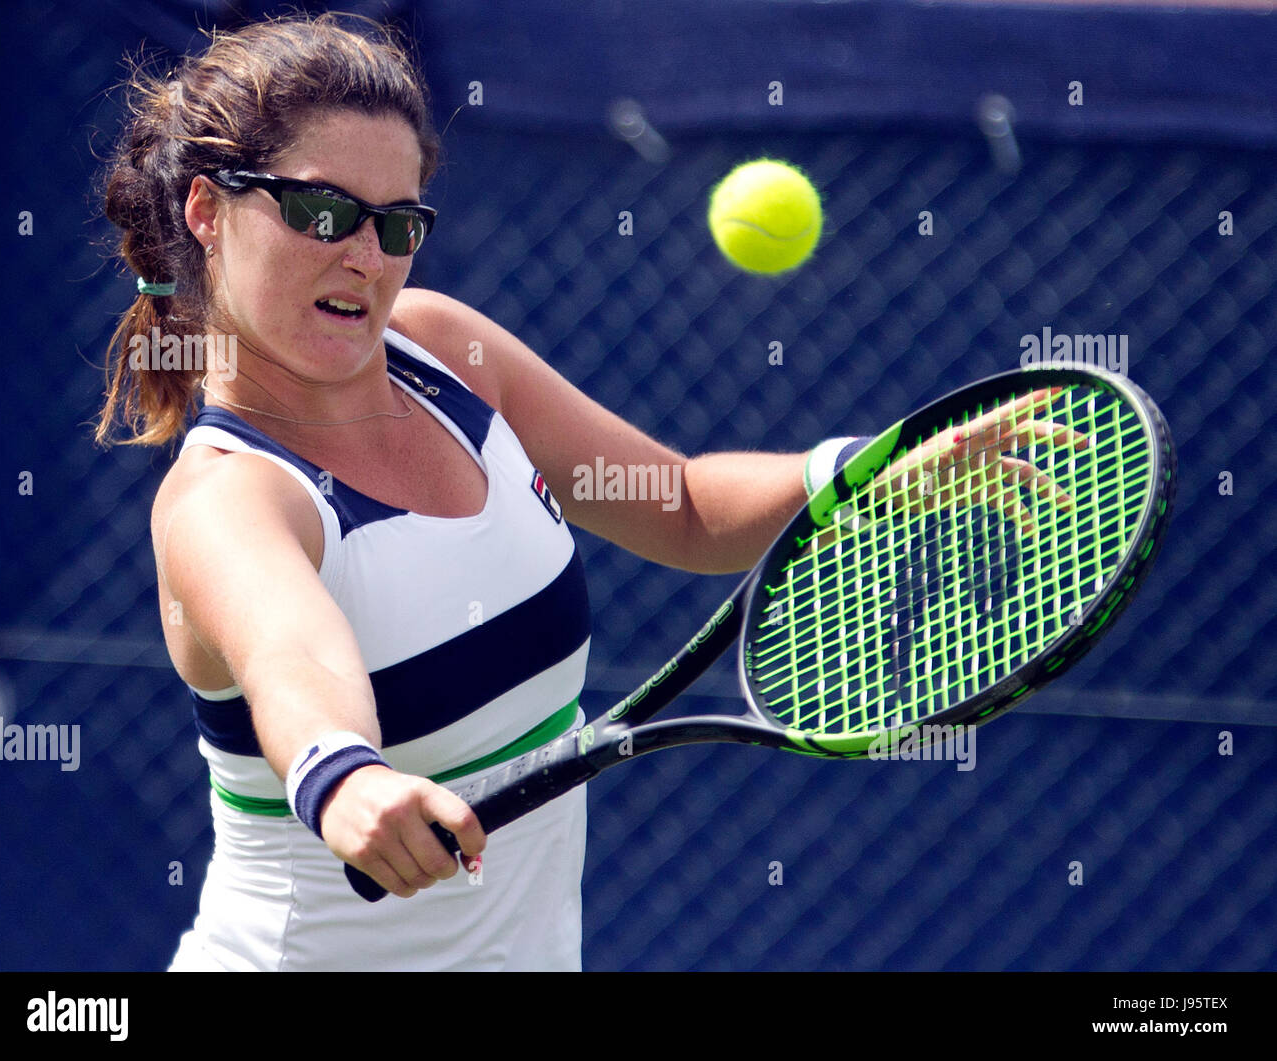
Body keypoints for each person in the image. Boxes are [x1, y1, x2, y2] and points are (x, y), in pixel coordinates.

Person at [97, 13, 1055, 971]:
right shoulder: (227, 498)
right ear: (207, 211)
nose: (367, 257)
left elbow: (679, 502)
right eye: (322, 212)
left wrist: (853, 473)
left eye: (399, 224)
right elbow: (291, 655)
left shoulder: (442, 352)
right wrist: (342, 773)